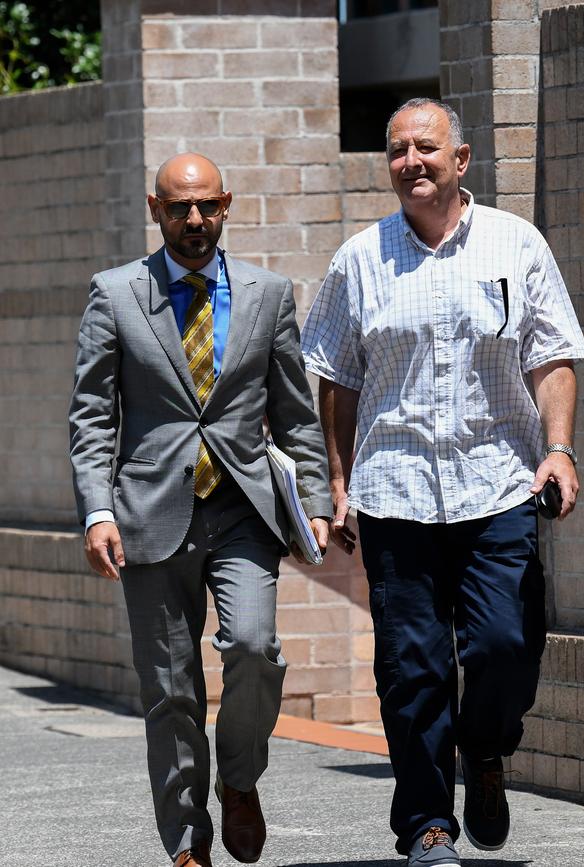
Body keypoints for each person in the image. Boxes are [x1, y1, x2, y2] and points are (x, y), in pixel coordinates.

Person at [301, 98, 584, 867]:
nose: (410, 162)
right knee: (412, 667)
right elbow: (336, 376)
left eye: (426, 148)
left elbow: (553, 355)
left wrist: (558, 448)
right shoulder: (359, 259)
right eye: (397, 150)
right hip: (395, 492)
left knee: (506, 644)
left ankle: (487, 752)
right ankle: (428, 822)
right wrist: (338, 476)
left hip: (497, 484)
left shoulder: (514, 243)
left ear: (461, 160)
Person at [69, 153, 331, 867]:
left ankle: (239, 778)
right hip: (150, 514)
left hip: (243, 509)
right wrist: (97, 511)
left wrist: (317, 499)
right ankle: (187, 843)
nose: (194, 221)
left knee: (253, 646)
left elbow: (296, 413)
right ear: (156, 209)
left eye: (207, 206)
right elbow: (92, 415)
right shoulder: (116, 294)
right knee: (171, 690)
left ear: (227, 205)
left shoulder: (269, 293)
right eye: (179, 208)